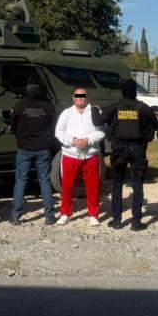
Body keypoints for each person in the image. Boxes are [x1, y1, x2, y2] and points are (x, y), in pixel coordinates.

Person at [94, 79, 158, 231]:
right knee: (137, 185)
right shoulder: (142, 107)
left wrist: (94, 109)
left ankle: (117, 221)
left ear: (122, 92)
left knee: (117, 184)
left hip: (119, 150)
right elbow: (156, 124)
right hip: (138, 150)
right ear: (135, 92)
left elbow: (97, 121)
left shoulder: (116, 106)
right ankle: (136, 222)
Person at [54, 88, 105, 226]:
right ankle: (65, 213)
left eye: (83, 96)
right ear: (73, 97)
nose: (80, 98)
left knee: (93, 186)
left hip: (91, 154)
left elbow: (102, 131)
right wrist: (72, 141)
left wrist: (88, 140)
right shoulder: (66, 113)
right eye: (77, 96)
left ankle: (93, 214)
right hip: (70, 154)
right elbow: (58, 132)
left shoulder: (96, 112)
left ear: (87, 98)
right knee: (67, 186)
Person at [10, 83, 57, 225]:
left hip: (24, 148)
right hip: (43, 149)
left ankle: (15, 216)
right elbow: (54, 128)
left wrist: (21, 138)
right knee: (44, 180)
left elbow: (13, 125)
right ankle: (49, 217)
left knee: (21, 181)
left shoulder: (19, 106)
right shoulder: (48, 107)